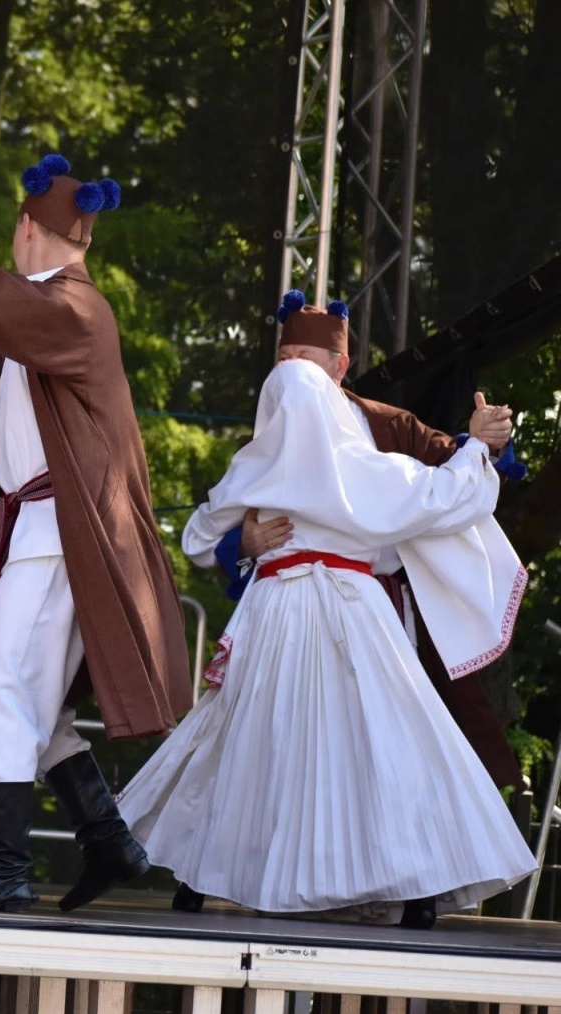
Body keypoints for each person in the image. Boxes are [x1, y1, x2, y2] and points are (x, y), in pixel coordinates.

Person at [116, 341, 536, 928]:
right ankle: (414, 886)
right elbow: (443, 494)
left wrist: (247, 540)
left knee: (254, 739)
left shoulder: (260, 464)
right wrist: (472, 450)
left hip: (281, 611)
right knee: (384, 739)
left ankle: (202, 875)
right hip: (347, 611)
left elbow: (196, 533)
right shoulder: (359, 465)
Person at [0, 153, 193, 912]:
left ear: (28, 227)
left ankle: (7, 870)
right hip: (48, 532)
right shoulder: (44, 317)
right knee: (35, 707)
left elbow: (10, 308)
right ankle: (109, 841)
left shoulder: (74, 309)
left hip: (63, 533)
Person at [210, 290, 524, 790]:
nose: (289, 374)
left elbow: (449, 472)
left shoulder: (386, 425)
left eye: (303, 362)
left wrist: (485, 443)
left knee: (378, 752)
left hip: (372, 611)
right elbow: (218, 525)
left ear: (340, 365)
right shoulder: (265, 442)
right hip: (284, 615)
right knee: (278, 752)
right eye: (283, 360)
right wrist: (241, 543)